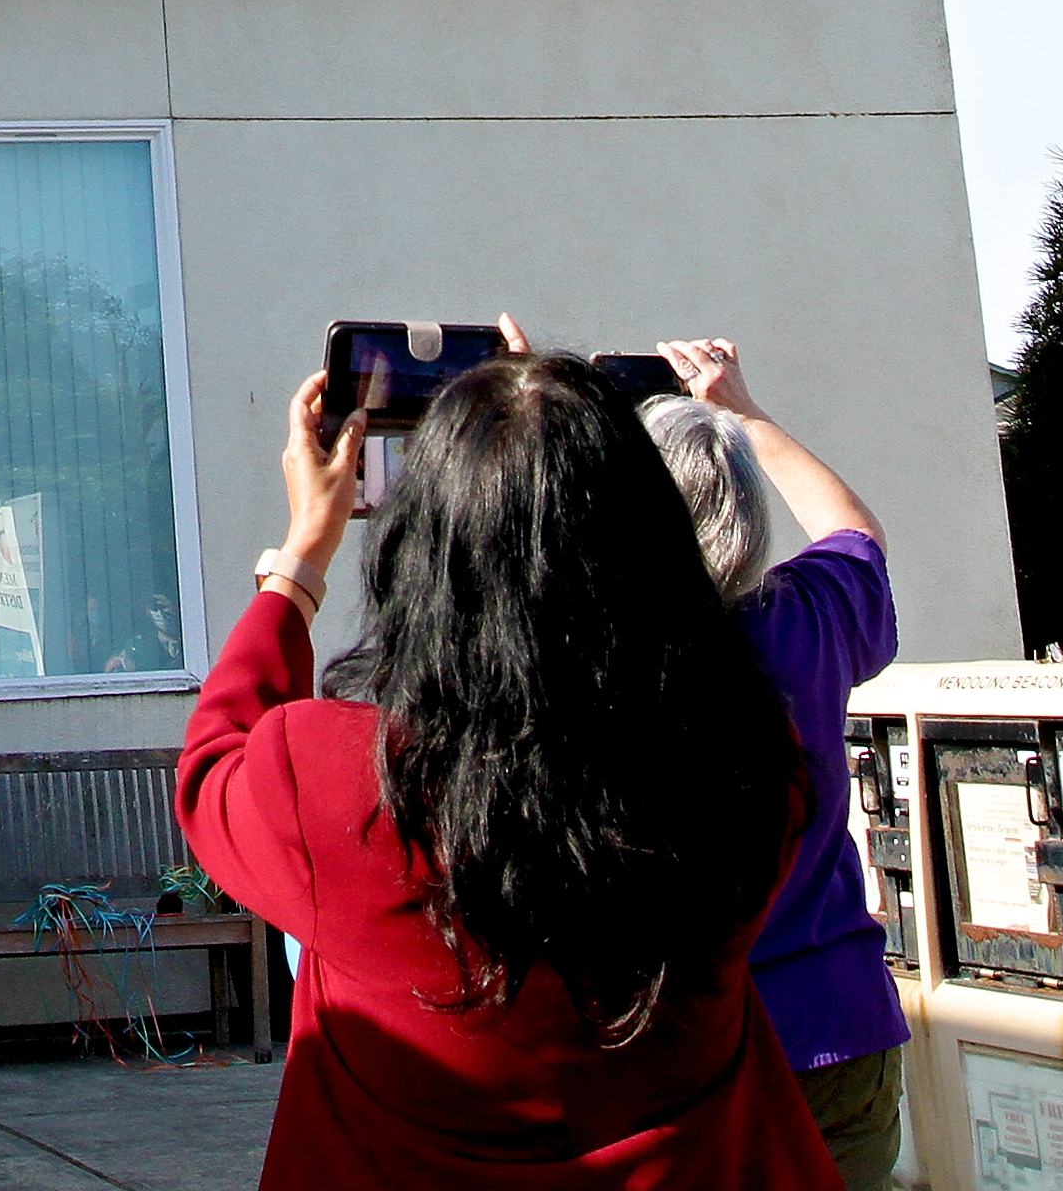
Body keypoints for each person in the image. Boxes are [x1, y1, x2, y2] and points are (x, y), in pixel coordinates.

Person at [178, 345, 841, 1190]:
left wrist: (302, 556)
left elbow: (211, 766)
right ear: (656, 543)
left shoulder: (328, 783)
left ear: (424, 562)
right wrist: (555, 424)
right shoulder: (751, 770)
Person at [643, 341, 907, 1191]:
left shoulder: (589, 652)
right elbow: (853, 533)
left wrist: (529, 418)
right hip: (834, 1024)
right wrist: (744, 412)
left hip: (667, 1047)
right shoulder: (806, 620)